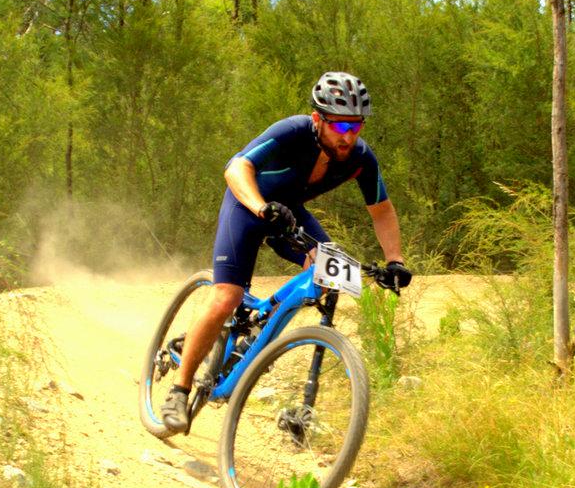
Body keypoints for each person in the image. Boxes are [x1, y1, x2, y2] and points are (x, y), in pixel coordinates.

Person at [159, 71, 412, 433]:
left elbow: (382, 209)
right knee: (227, 296)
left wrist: (395, 261)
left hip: (290, 215)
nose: (350, 136)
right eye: (340, 127)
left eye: (356, 126)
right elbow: (236, 167)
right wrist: (262, 208)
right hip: (248, 207)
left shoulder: (359, 158)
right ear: (317, 120)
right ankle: (178, 392)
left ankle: (254, 339)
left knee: (331, 275)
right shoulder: (292, 131)